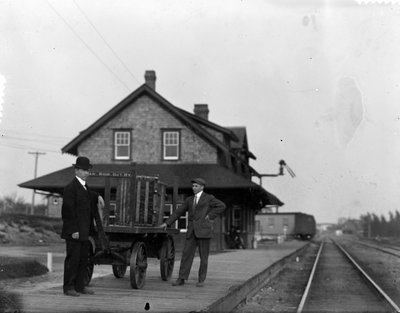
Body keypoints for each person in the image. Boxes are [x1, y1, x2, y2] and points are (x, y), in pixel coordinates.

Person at [159, 178, 226, 287]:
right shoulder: (189, 200)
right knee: (186, 255)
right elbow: (178, 212)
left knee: (203, 258)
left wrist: (210, 216)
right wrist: (167, 223)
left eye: (196, 186)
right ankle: (181, 278)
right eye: (193, 186)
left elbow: (222, 206)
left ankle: (201, 280)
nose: (193, 188)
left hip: (204, 231)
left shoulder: (209, 198)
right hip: (191, 232)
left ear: (202, 187)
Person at [61, 156, 103, 297]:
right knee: (73, 260)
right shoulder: (70, 188)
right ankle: (68, 288)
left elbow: (88, 195)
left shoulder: (84, 187)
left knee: (83, 260)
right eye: (84, 170)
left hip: (85, 232)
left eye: (88, 170)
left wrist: (98, 196)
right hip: (74, 232)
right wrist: (74, 230)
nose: (87, 173)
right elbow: (67, 212)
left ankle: (80, 286)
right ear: (77, 170)